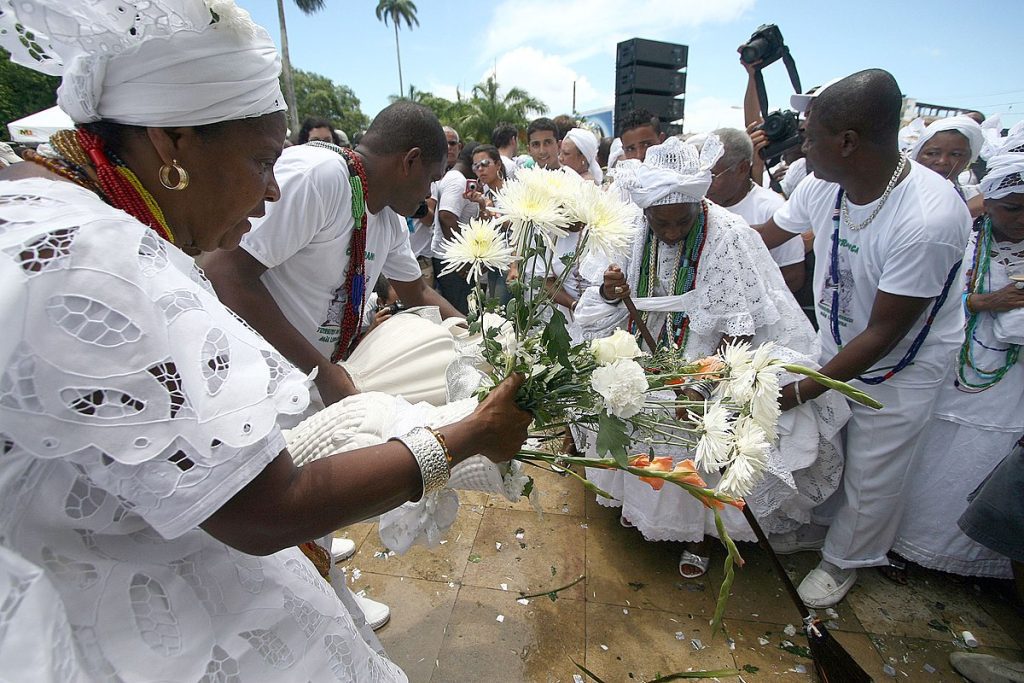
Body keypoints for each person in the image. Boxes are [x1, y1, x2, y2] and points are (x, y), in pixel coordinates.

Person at [0, 2, 532, 679]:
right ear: (171, 144)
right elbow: (266, 508)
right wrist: (468, 435)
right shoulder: (99, 260)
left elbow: (412, 291)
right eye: (261, 161)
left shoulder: (54, 206)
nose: (272, 191)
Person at [574, 136, 846, 578]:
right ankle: (641, 510)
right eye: (660, 222)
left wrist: (700, 384)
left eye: (682, 221)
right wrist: (609, 291)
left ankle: (698, 536)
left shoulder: (729, 234)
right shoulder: (631, 228)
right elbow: (599, 301)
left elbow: (739, 327)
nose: (671, 232)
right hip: (644, 344)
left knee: (699, 440)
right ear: (645, 212)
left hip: (713, 350)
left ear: (698, 205)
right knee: (637, 422)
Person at [755, 69, 972, 608]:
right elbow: (765, 236)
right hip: (836, 341)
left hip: (900, 364)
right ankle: (819, 528)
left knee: (875, 467)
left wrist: (801, 389)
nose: (802, 146)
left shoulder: (929, 218)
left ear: (848, 142)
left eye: (810, 136)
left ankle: (846, 559)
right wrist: (694, 229)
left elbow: (883, 332)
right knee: (831, 444)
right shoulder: (822, 183)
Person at [204, 102, 463, 411]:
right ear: (410, 161)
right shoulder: (318, 176)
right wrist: (324, 373)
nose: (429, 193)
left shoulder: (389, 219)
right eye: (432, 178)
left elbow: (417, 292)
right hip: (251, 391)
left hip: (308, 391)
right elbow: (224, 274)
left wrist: (480, 336)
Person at [890, 143, 1024, 581]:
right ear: (989, 201)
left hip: (1010, 383)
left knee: (983, 458)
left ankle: (975, 561)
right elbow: (921, 301)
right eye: (1011, 208)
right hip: (952, 368)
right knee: (932, 455)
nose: (1020, 219)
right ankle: (909, 545)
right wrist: (985, 302)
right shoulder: (960, 241)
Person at [705, 127, 805, 292]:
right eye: (701, 174)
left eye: (712, 175)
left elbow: (792, 276)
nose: (705, 182)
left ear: (742, 169)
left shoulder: (772, 208)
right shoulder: (698, 204)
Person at [429, 140, 480, 314]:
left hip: (452, 259)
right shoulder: (457, 181)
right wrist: (461, 258)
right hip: (453, 262)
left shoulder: (458, 178)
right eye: (479, 163)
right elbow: (447, 217)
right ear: (472, 160)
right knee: (462, 317)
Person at [910, 115, 985, 216]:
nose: (942, 161)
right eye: (932, 153)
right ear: (916, 155)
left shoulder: (975, 200)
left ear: (968, 160)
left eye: (956, 154)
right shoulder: (895, 193)